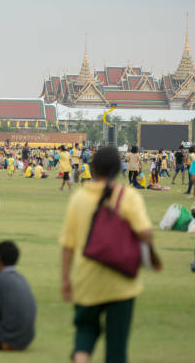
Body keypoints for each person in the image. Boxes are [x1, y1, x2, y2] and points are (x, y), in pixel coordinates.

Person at [60, 147, 153, 363]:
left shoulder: (79, 198)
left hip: (87, 279)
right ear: (117, 170)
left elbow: (67, 245)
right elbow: (145, 233)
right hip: (122, 281)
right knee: (116, 346)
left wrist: (65, 279)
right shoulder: (128, 196)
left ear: (93, 169)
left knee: (85, 331)